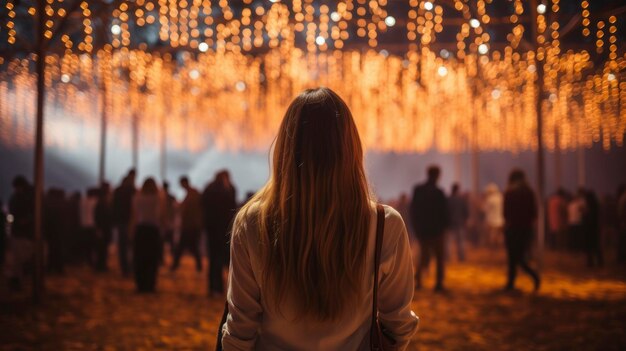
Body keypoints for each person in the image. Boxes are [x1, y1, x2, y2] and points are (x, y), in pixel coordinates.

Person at [222, 88, 418, 349]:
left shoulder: (251, 223)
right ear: (351, 149)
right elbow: (398, 326)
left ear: (286, 150)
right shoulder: (384, 224)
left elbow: (239, 330)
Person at [410, 165, 449, 291]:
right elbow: (444, 213)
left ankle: (418, 282)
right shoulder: (439, 192)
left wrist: (416, 228)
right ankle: (439, 283)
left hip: (423, 231)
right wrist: (444, 228)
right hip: (437, 231)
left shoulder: (418, 190)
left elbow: (413, 211)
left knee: (422, 256)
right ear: (437, 175)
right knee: (439, 258)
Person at [502, 169, 540, 292]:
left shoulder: (509, 193)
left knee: (514, 258)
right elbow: (534, 213)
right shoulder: (529, 193)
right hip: (525, 229)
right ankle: (511, 283)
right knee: (519, 257)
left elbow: (506, 213)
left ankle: (531, 277)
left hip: (512, 229)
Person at [202, 170, 237, 297]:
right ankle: (227, 288)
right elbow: (232, 209)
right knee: (226, 260)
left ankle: (213, 287)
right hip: (224, 230)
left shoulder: (209, 189)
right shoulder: (229, 189)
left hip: (212, 229)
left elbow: (203, 206)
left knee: (213, 259)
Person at [132, 178, 162, 292]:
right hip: (153, 230)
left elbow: (134, 215)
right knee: (152, 259)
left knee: (140, 258)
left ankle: (140, 284)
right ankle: (150, 284)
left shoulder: (137, 198)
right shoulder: (158, 198)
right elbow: (161, 215)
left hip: (141, 229)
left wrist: (132, 230)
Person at [7, 176, 35, 291]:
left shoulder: (16, 197)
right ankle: (19, 279)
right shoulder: (31, 195)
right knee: (23, 257)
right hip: (27, 232)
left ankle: (17, 280)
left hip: (20, 232)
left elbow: (12, 210)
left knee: (18, 258)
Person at [171, 176, 203, 272]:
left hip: (190, 225)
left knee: (182, 247)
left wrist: (179, 206)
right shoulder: (193, 193)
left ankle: (175, 265)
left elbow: (188, 208)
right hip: (192, 225)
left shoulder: (192, 194)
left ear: (184, 183)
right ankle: (198, 266)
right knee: (192, 247)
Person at [113, 171, 136, 276]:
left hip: (120, 221)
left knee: (123, 247)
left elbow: (113, 206)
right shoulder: (132, 191)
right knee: (131, 246)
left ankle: (124, 268)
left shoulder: (117, 191)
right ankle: (130, 267)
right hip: (130, 221)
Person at [44, 188, 67, 274]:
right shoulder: (61, 204)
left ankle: (50, 267)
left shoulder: (48, 203)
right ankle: (58, 268)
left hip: (50, 231)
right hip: (58, 231)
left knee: (51, 250)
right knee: (58, 250)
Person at [94, 182, 114, 271]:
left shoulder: (103, 201)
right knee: (102, 248)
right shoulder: (103, 201)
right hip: (103, 228)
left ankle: (101, 265)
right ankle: (100, 266)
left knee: (103, 247)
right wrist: (99, 228)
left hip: (104, 227)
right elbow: (98, 216)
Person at [447, 183, 468, 262]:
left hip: (450, 224)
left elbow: (445, 212)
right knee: (461, 242)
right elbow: (466, 212)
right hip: (460, 223)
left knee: (448, 243)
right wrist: (465, 220)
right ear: (458, 190)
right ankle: (461, 257)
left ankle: (447, 258)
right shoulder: (461, 200)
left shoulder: (448, 199)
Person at [582, 189, 602, 267]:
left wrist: (584, 215)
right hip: (594, 228)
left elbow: (589, 218)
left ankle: (591, 262)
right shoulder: (596, 204)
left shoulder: (590, 206)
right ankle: (599, 262)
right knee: (596, 246)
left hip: (590, 229)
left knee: (590, 247)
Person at [80, 188, 99, 267]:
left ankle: (87, 260)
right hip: (92, 225)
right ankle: (92, 261)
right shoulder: (94, 202)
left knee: (86, 245)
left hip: (84, 225)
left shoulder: (83, 201)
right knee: (93, 245)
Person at [483, 183, 504, 248]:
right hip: (501, 220)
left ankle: (494, 247)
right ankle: (500, 246)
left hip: (492, 221)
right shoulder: (501, 197)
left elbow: (485, 209)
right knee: (500, 235)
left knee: (492, 235)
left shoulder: (490, 199)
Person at [160, 181, 177, 260]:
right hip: (169, 221)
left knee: (162, 241)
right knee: (170, 241)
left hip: (163, 222)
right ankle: (173, 257)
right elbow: (175, 209)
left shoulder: (160, 197)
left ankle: (162, 259)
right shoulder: (171, 197)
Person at [617, 184, 626, 263]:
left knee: (622, 240)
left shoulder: (623, 198)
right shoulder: (623, 198)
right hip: (623, 221)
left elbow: (621, 211)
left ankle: (622, 257)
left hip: (623, 221)